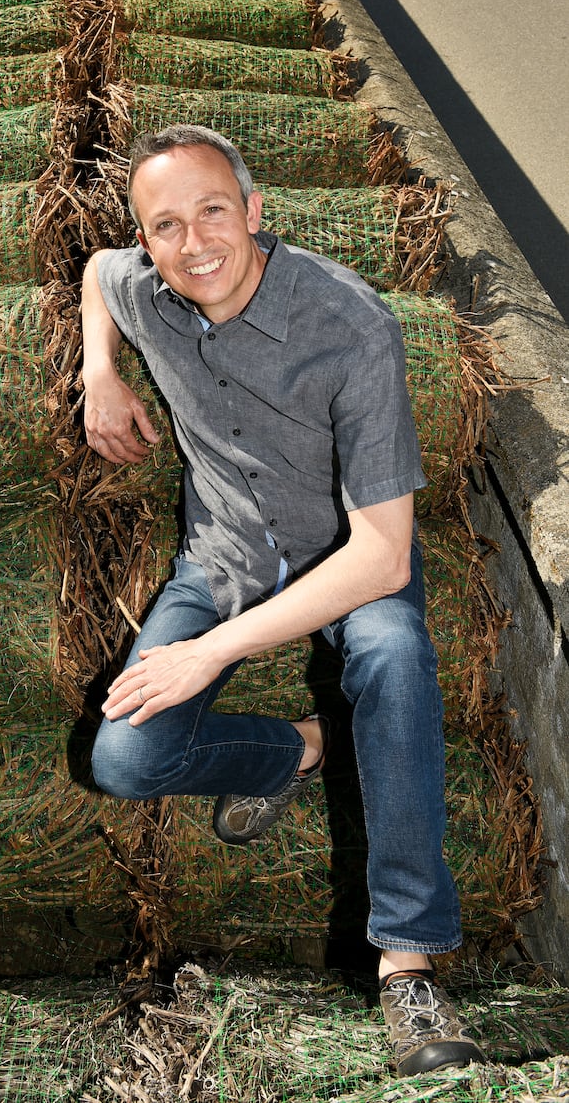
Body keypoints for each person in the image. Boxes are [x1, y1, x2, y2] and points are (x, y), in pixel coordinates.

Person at [80, 124, 486, 1078]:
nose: (194, 243)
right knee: (125, 755)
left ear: (256, 212)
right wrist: (99, 368)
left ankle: (409, 964)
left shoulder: (351, 325)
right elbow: (99, 269)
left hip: (343, 559)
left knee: (391, 658)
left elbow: (384, 556)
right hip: (220, 558)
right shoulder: (145, 284)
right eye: (166, 225)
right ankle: (306, 746)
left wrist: (210, 654)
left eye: (213, 210)